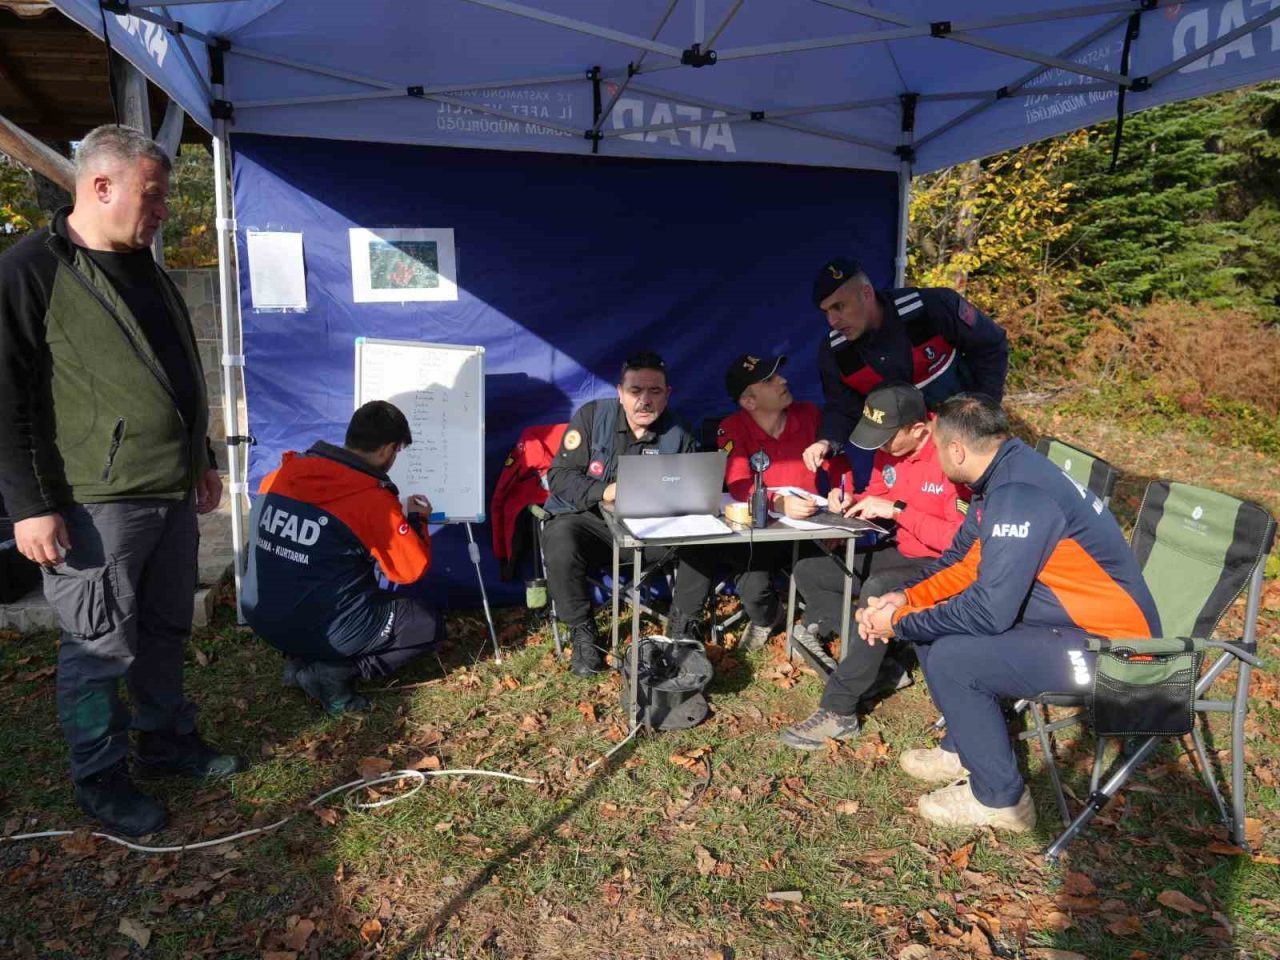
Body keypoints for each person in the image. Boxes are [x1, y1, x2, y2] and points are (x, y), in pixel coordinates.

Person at [0, 125, 241, 837]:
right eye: (154, 195)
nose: (164, 210)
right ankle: (100, 776)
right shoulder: (29, 271)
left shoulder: (148, 268)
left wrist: (201, 458)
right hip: (92, 503)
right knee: (100, 643)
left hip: (167, 491)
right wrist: (29, 507)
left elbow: (175, 372)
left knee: (164, 628)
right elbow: (6, 401)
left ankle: (166, 740)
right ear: (100, 186)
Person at [856, 394, 1160, 831]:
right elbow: (963, 562)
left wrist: (899, 623)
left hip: (1123, 654)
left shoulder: (1020, 495)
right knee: (931, 627)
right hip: (1068, 623)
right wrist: (905, 599)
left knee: (955, 659)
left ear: (956, 449)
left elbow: (990, 613)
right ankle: (966, 746)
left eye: (937, 448)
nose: (936, 458)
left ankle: (1001, 799)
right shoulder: (1002, 475)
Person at [779, 382, 968, 750]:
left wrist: (898, 512)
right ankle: (881, 664)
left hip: (945, 564)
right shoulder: (892, 449)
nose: (880, 447)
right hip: (905, 549)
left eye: (886, 439)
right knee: (811, 571)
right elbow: (880, 492)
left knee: (878, 589)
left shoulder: (953, 456)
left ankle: (840, 708)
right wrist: (852, 500)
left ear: (919, 429)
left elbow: (960, 542)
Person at [241, 400, 444, 715]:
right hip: (324, 628)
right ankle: (331, 674)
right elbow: (409, 571)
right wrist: (417, 520)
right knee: (423, 624)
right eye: (397, 451)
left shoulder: (278, 476)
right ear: (387, 450)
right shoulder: (371, 499)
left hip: (262, 617)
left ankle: (299, 658)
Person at [668, 353, 851, 650]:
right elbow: (739, 483)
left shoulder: (810, 415)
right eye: (769, 380)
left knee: (830, 579)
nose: (783, 381)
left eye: (778, 375)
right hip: (761, 529)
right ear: (749, 401)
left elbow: (839, 464)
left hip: (810, 528)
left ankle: (814, 631)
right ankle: (769, 617)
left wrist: (841, 499)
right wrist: (778, 502)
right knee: (754, 590)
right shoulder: (731, 427)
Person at [542, 351, 697, 676]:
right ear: (620, 392)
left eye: (655, 391)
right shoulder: (592, 417)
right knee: (559, 536)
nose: (645, 400)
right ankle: (583, 633)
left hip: (650, 532)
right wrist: (605, 491)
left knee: (701, 541)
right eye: (635, 391)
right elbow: (560, 476)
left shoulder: (679, 433)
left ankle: (681, 631)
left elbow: (692, 489)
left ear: (668, 394)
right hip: (593, 526)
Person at [800, 257, 1009, 474]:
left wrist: (982, 413)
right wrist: (827, 441)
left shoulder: (930, 307)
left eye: (839, 307)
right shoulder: (835, 352)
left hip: (967, 439)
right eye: (826, 311)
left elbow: (991, 346)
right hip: (905, 459)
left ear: (866, 293)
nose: (832, 321)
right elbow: (842, 408)